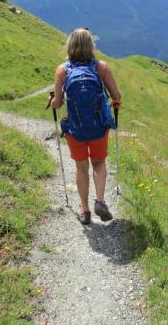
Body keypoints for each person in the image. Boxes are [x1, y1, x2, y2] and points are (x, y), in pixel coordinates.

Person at [51, 28, 122, 225]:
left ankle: (85, 210)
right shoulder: (102, 67)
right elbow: (117, 96)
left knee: (81, 168)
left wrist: (52, 100)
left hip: (75, 128)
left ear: (70, 45)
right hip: (98, 127)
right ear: (90, 45)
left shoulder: (62, 71)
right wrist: (111, 104)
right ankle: (100, 200)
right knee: (98, 163)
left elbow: (58, 103)